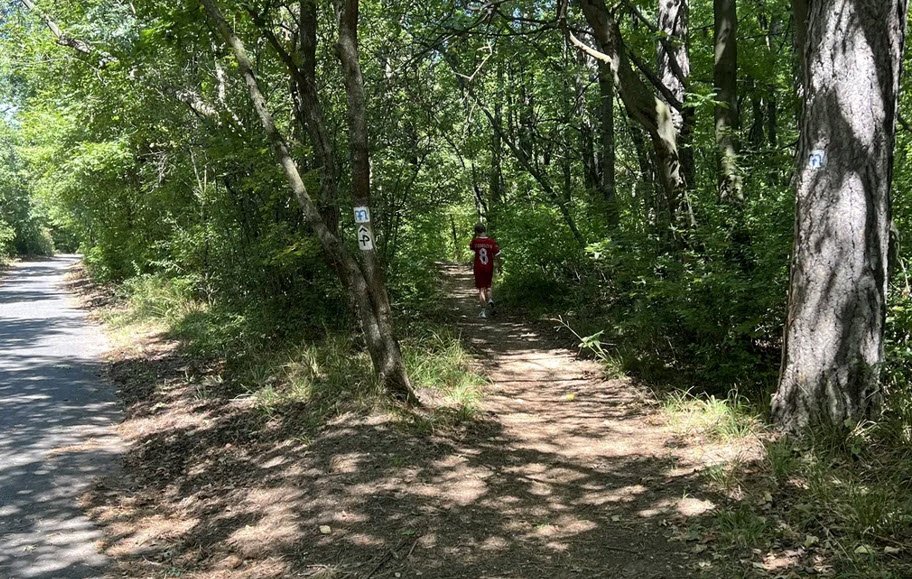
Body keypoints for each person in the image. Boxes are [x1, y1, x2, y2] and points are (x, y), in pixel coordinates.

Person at [469, 223, 500, 318]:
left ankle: (483, 312)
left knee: (481, 289)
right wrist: (499, 265)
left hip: (478, 267)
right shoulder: (491, 241)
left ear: (476, 231)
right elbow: (497, 253)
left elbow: (471, 247)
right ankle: (490, 299)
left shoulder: (475, 241)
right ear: (485, 230)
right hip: (489, 266)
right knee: (488, 286)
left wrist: (475, 236)